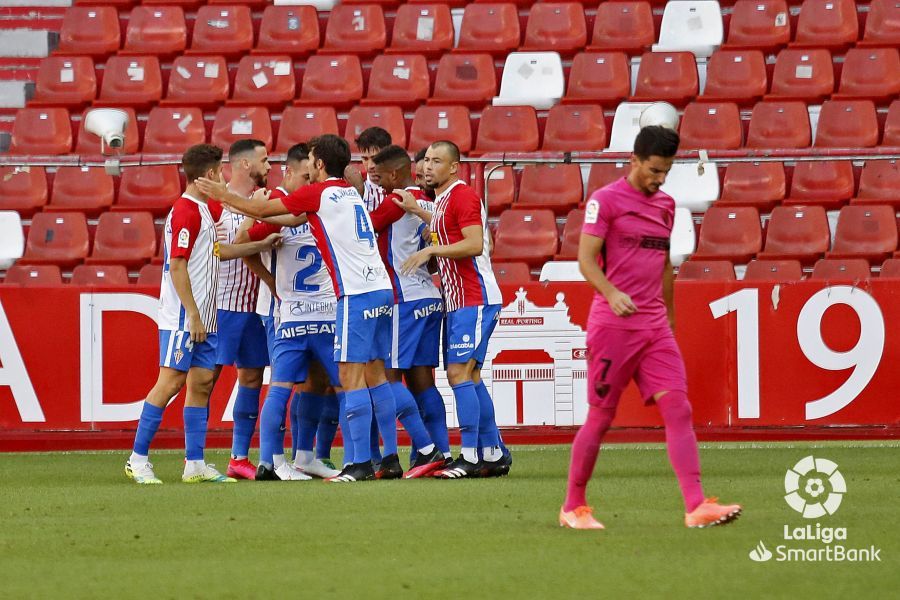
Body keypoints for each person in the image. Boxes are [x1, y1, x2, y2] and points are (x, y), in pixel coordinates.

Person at [559, 126, 742, 529]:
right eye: (654, 170)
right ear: (635, 161)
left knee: (678, 408)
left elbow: (663, 266)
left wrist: (670, 319)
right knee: (601, 417)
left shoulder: (665, 205)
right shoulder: (604, 202)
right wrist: (610, 293)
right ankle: (573, 505)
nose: (659, 179)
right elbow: (586, 260)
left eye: (666, 171)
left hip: (654, 326)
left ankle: (696, 506)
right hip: (614, 326)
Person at [198, 134, 400, 483]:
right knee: (375, 377)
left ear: (319, 164)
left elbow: (262, 211)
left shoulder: (317, 193)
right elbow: (291, 220)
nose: (307, 165)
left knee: (349, 380)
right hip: (381, 289)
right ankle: (390, 458)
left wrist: (224, 196)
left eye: (310, 159)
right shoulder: (349, 194)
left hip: (354, 294)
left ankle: (360, 464)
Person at [125, 144, 279, 485]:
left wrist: (261, 245)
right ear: (208, 175)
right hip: (184, 316)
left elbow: (217, 254)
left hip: (206, 317)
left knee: (203, 384)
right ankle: (137, 458)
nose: (223, 176)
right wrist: (192, 314)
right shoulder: (186, 212)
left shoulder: (203, 212)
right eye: (220, 171)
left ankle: (194, 463)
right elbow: (177, 265)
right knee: (170, 382)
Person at [398, 141, 509, 479]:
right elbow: (445, 224)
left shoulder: (462, 196)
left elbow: (475, 244)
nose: (427, 167)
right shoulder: (445, 200)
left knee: (461, 374)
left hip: (474, 297)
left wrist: (432, 252)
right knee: (469, 376)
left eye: (436, 161)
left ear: (454, 167)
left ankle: (472, 456)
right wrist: (419, 212)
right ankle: (492, 452)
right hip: (462, 301)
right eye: (426, 160)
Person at [236, 143, 342, 480]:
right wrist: (270, 284)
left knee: (316, 383)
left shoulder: (314, 205)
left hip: (314, 310)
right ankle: (270, 459)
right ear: (291, 171)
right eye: (306, 177)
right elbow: (240, 242)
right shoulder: (278, 207)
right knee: (280, 384)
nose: (310, 183)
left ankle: (304, 455)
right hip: (280, 311)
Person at [368, 145, 449, 478]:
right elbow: (431, 258)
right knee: (422, 381)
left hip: (404, 299)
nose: (374, 176)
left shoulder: (396, 199)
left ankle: (417, 450)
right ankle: (441, 451)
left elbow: (364, 228)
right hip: (429, 295)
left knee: (386, 378)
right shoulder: (429, 202)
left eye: (378, 172)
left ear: (393, 173)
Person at [209, 139, 274, 481]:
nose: (269, 166)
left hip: (254, 307)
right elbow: (216, 250)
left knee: (251, 378)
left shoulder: (264, 203)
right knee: (205, 380)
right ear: (245, 165)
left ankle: (238, 458)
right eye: (264, 160)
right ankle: (194, 457)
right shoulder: (217, 205)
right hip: (222, 306)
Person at [345, 126, 392, 211]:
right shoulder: (350, 186)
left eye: (375, 158)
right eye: (365, 159)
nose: (370, 166)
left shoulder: (402, 185)